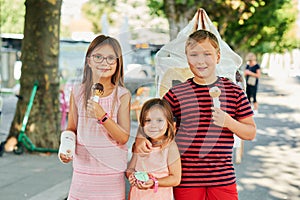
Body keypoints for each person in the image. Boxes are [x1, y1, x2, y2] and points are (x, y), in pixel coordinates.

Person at [135, 30, 256, 200]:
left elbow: (250, 133)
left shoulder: (234, 92)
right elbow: (152, 120)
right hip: (187, 179)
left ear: (218, 57)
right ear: (187, 58)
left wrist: (229, 122)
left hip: (222, 179)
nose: (200, 61)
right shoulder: (176, 94)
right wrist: (141, 138)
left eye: (207, 54)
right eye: (194, 55)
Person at [58, 34, 131, 200]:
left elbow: (123, 137)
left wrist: (102, 116)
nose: (104, 62)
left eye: (111, 58)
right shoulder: (77, 92)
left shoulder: (122, 95)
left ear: (118, 63)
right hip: (83, 172)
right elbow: (71, 129)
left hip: (111, 174)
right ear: (89, 61)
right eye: (98, 56)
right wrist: (66, 148)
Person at [126, 98, 181, 200]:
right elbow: (130, 169)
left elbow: (176, 178)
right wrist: (132, 176)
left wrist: (154, 182)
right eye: (148, 120)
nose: (153, 125)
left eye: (159, 120)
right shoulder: (140, 146)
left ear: (168, 123)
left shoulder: (170, 147)